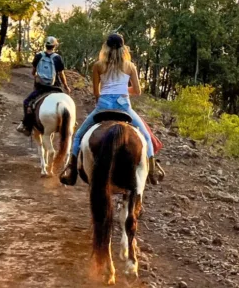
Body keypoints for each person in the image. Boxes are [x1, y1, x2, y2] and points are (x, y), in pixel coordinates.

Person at [61, 33, 164, 184]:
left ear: (106, 47)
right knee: (147, 137)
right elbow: (137, 91)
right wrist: (122, 90)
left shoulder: (98, 65)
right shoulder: (129, 66)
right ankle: (152, 171)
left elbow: (96, 92)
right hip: (124, 107)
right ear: (124, 48)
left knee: (78, 136)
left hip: (103, 106)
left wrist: (102, 100)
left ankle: (72, 171)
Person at [17, 36, 71, 135]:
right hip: (55, 88)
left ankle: (26, 126)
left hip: (41, 87)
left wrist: (39, 76)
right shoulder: (58, 58)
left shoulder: (38, 56)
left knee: (27, 102)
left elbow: (33, 72)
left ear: (45, 45)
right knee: (66, 103)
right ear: (55, 46)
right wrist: (66, 86)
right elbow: (61, 74)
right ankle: (71, 122)